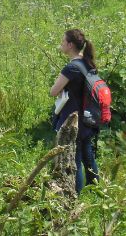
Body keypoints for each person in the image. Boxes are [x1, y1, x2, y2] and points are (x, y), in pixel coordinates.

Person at [49, 28, 100, 194]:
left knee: (75, 160)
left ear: (70, 45)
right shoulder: (87, 62)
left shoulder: (71, 68)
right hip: (89, 117)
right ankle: (96, 189)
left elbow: (53, 92)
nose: (61, 44)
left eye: (63, 41)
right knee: (88, 155)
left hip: (73, 118)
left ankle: (75, 194)